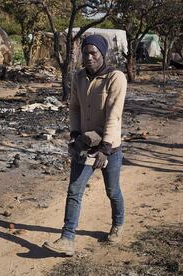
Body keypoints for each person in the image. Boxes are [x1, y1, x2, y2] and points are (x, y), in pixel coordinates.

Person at [43, 34, 127, 256]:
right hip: (85, 142)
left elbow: (113, 115)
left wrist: (106, 149)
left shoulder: (115, 78)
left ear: (102, 54)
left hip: (110, 146)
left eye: (94, 53)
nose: (89, 57)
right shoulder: (79, 77)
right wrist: (74, 134)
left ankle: (118, 225)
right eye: (86, 53)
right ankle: (67, 239)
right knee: (74, 190)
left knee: (112, 191)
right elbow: (75, 108)